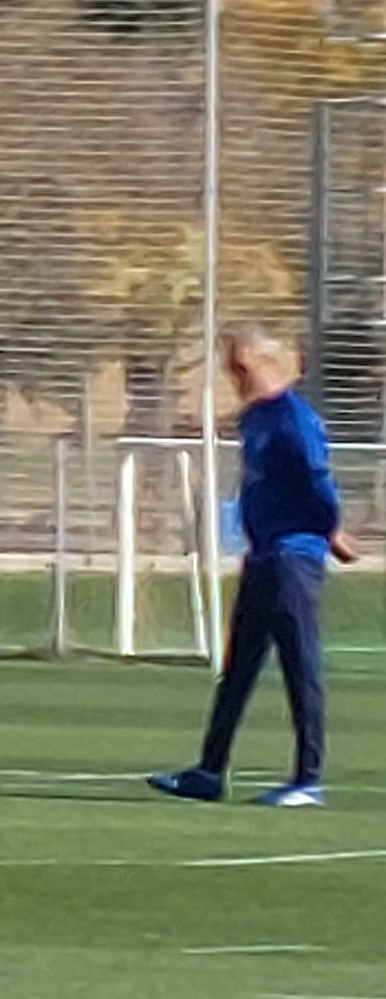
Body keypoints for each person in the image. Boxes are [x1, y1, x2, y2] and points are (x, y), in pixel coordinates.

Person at [153, 326, 353, 810]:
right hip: (261, 556)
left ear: (270, 361)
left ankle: (308, 779)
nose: (237, 377)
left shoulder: (293, 417)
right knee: (237, 668)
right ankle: (208, 771)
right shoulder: (254, 420)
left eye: (243, 367)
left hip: (294, 557)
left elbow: (316, 478)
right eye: (231, 368)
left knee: (299, 666)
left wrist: (332, 530)